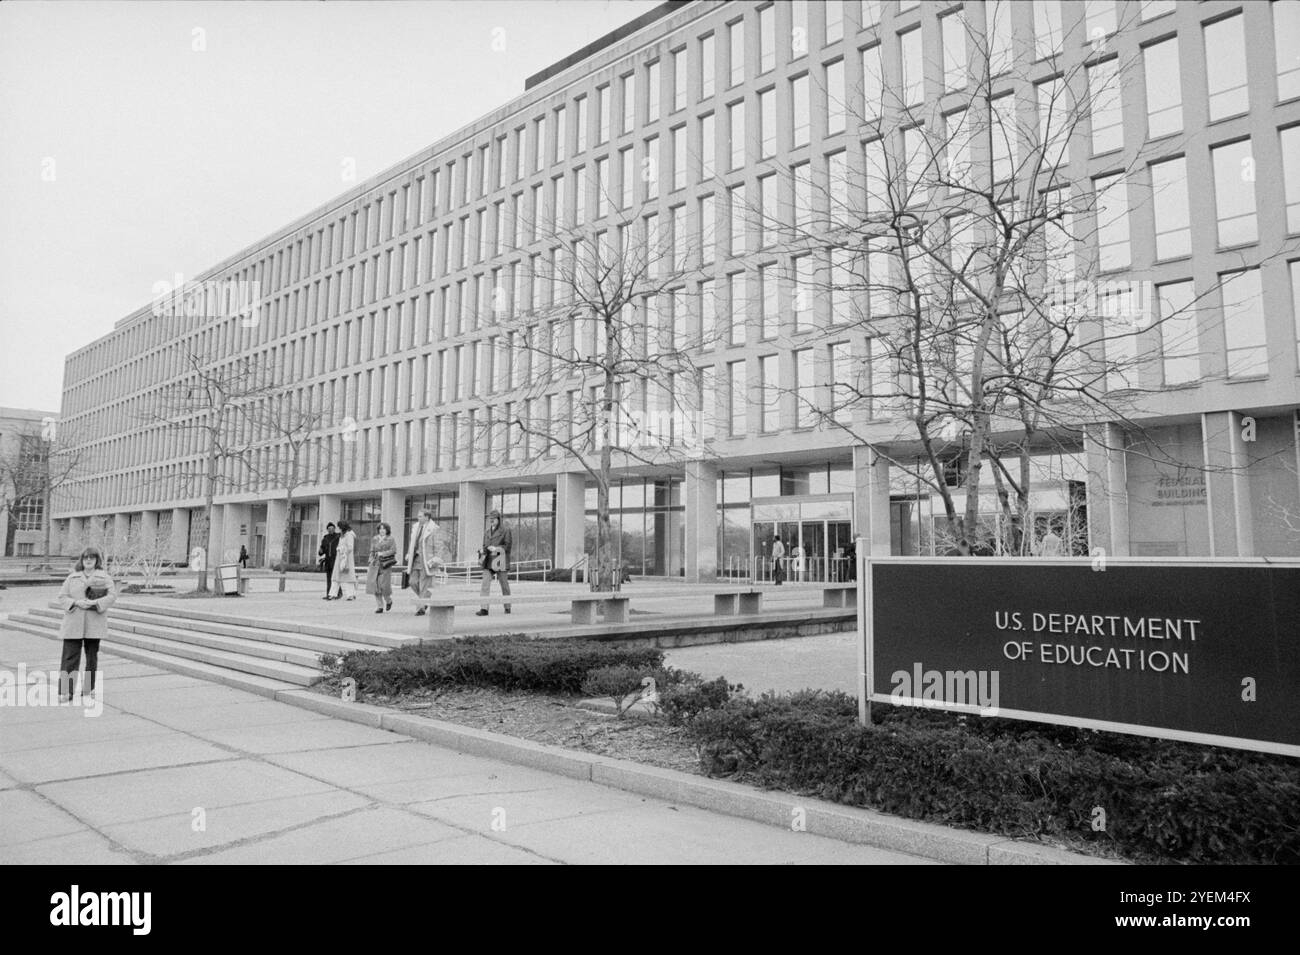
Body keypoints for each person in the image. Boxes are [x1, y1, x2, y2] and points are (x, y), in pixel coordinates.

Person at [56, 545, 117, 703]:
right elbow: (62, 597)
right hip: (73, 622)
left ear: (97, 560)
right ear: (82, 560)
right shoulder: (72, 577)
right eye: (85, 558)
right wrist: (76, 602)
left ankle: (88, 689)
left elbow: (112, 596)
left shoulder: (104, 577)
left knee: (91, 658)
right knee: (69, 657)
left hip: (94, 622)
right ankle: (65, 691)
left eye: (92, 558)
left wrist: (94, 603)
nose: (88, 560)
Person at [406, 508, 443, 616]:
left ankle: (420, 608)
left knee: (423, 585)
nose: (418, 518)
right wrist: (409, 553)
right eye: (418, 516)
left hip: (427, 561)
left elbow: (439, 545)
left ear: (427, 517)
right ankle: (425, 598)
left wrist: (435, 559)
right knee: (412, 582)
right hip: (416, 559)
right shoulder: (416, 527)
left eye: (420, 516)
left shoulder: (434, 529)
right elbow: (412, 543)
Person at [475, 509, 512, 616]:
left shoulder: (506, 530)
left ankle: (507, 606)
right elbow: (484, 546)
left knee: (504, 585)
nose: (491, 520)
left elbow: (508, 546)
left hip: (500, 560)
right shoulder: (486, 532)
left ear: (498, 519)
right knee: (485, 585)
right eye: (490, 519)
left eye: (493, 519)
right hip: (488, 561)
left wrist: (496, 548)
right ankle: (484, 609)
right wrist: (483, 550)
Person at [367, 522, 397, 613]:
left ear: (387, 530)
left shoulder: (390, 539)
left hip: (385, 564)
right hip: (375, 564)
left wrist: (383, 554)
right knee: (375, 585)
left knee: (384, 585)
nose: (382, 530)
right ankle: (379, 606)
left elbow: (393, 550)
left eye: (384, 529)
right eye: (380, 529)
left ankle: (388, 600)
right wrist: (370, 560)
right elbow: (372, 551)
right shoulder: (375, 539)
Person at [331, 520, 358, 600]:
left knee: (348, 577)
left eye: (339, 527)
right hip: (340, 558)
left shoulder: (349, 535)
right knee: (336, 577)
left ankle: (351, 595)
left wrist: (340, 549)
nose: (338, 529)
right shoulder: (342, 535)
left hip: (346, 558)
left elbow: (350, 547)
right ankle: (333, 594)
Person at [318, 522, 340, 599]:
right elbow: (322, 550)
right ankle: (329, 594)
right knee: (329, 578)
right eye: (329, 529)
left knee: (335, 578)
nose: (331, 530)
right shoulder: (325, 538)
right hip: (328, 561)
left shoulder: (338, 537)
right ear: (327, 530)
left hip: (336, 560)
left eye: (332, 528)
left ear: (335, 529)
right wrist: (320, 551)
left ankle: (337, 593)